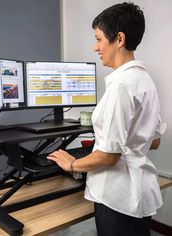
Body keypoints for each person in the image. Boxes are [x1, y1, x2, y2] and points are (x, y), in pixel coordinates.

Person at [47, 2, 166, 236]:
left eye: (99, 39)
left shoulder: (122, 85)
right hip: (138, 195)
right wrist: (126, 144)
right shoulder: (144, 80)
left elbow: (109, 157)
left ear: (119, 39)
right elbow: (154, 140)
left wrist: (71, 164)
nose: (96, 47)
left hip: (117, 199)